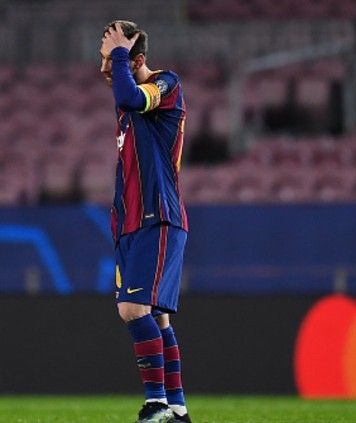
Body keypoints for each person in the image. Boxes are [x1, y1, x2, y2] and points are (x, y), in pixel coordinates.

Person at [100, 21, 192, 423]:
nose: (106, 68)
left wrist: (120, 52)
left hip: (157, 215)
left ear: (137, 59)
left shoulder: (166, 84)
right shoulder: (126, 109)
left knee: (132, 309)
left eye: (113, 59)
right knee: (157, 316)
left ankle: (156, 405)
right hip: (134, 221)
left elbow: (131, 95)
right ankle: (176, 407)